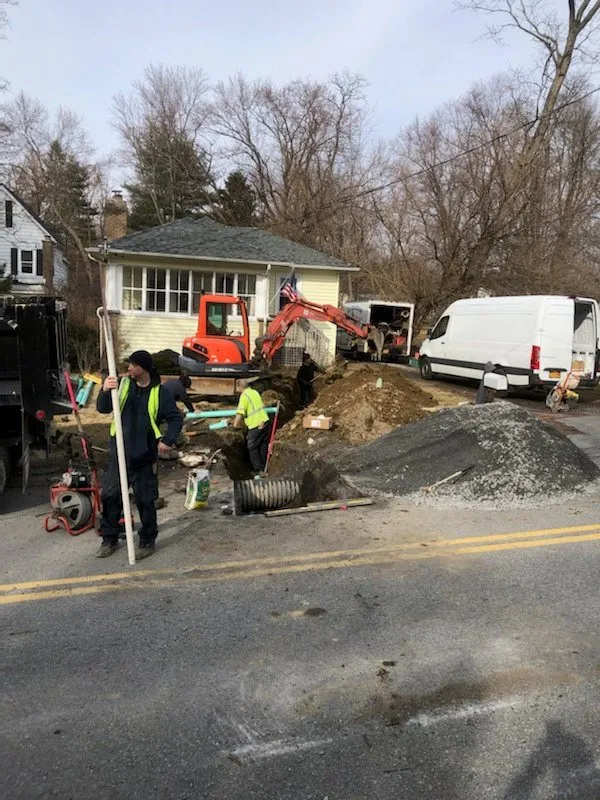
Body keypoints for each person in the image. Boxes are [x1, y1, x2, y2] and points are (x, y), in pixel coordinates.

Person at [96, 350, 183, 559]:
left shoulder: (159, 393)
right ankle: (109, 539)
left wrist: (168, 440)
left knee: (146, 500)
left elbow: (175, 418)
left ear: (142, 368)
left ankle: (147, 540)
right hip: (120, 454)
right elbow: (103, 409)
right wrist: (105, 391)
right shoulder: (122, 385)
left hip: (144, 456)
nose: (129, 368)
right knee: (110, 496)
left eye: (133, 365)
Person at [233, 378, 271, 475]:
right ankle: (265, 467)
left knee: (252, 446)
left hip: (256, 424)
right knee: (263, 445)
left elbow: (240, 413)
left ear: (239, 387)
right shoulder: (254, 392)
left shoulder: (244, 396)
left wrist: (234, 425)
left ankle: (258, 470)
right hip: (265, 421)